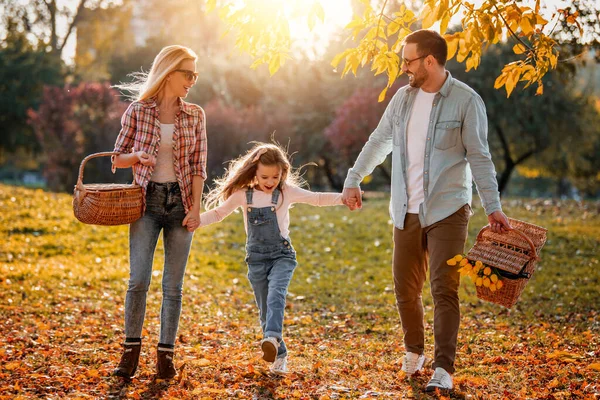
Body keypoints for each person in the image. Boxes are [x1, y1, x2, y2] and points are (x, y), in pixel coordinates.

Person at [342, 30, 511, 392]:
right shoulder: (402, 99)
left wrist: (492, 206)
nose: (403, 67)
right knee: (404, 286)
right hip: (405, 208)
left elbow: (480, 157)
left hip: (448, 208)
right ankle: (414, 350)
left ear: (429, 62)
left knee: (443, 289)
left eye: (408, 60)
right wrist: (354, 177)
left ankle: (443, 368)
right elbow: (379, 140)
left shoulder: (466, 101)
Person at [198, 143, 350, 374]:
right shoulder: (243, 195)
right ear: (254, 172)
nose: (270, 182)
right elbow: (218, 213)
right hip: (256, 259)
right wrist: (194, 222)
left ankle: (271, 337)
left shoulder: (285, 192)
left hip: (282, 255)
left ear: (283, 173)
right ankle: (280, 355)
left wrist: (344, 198)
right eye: (264, 176)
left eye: (275, 176)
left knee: (276, 295)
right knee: (264, 310)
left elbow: (317, 198)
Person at [110, 45, 207, 380]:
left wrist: (195, 208)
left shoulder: (195, 114)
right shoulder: (138, 111)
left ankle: (166, 356)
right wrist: (138, 156)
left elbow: (198, 168)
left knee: (173, 286)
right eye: (188, 74)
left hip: (181, 204)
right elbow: (117, 157)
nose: (193, 80)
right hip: (146, 203)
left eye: (196, 75)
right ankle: (130, 354)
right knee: (138, 281)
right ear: (168, 73)